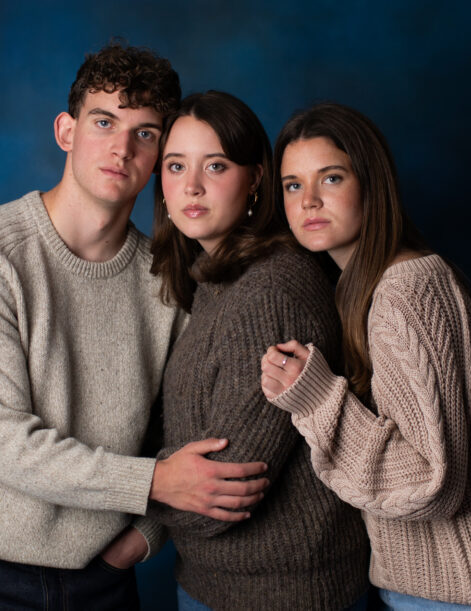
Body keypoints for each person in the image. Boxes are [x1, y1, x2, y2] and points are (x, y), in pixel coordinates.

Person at [0, 43, 271, 610]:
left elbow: (182, 435)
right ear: (67, 130)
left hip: (104, 573)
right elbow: (7, 441)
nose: (122, 147)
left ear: (161, 155)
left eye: (146, 133)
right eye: (104, 121)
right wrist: (153, 484)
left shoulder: (166, 280)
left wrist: (141, 539)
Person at [260, 103, 471, 610]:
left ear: (371, 183)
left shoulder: (401, 293)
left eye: (330, 178)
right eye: (292, 184)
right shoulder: (397, 279)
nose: (308, 201)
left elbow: (429, 481)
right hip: (466, 586)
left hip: (457, 593)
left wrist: (315, 398)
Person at [146, 91, 370, 611]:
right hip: (216, 585)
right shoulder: (217, 280)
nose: (191, 186)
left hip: (283, 595)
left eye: (216, 166)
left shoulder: (269, 292)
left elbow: (219, 495)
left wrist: (130, 488)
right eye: (175, 166)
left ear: (256, 181)